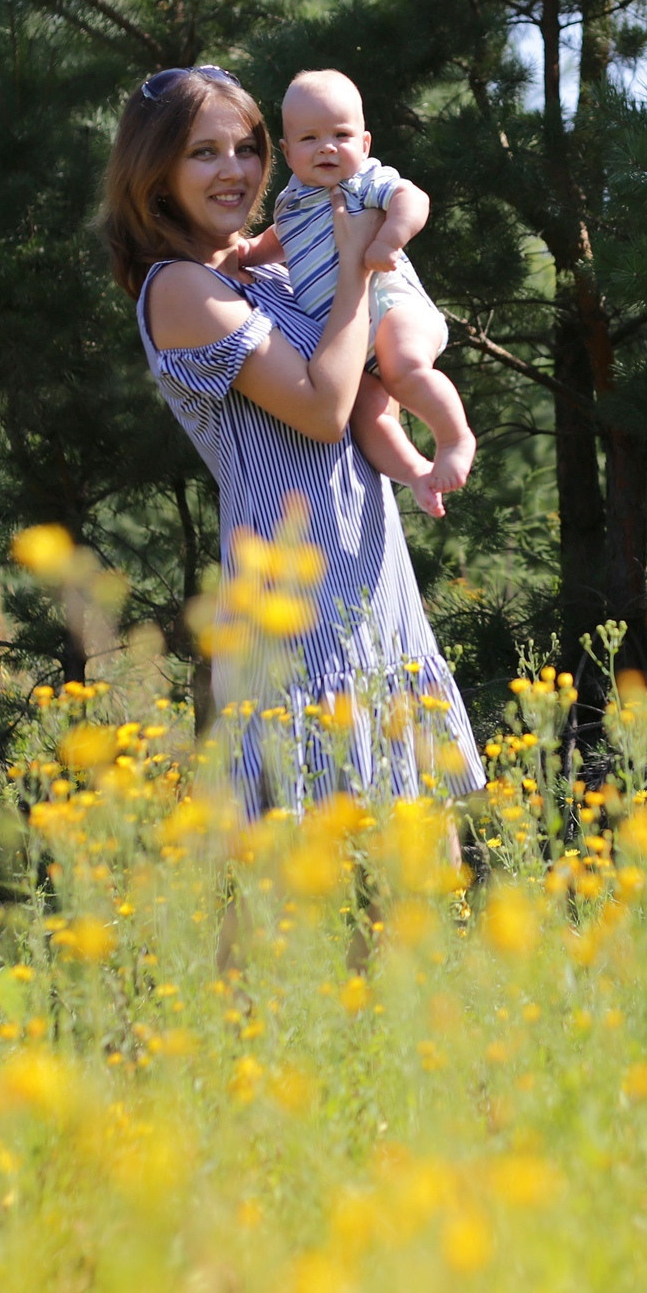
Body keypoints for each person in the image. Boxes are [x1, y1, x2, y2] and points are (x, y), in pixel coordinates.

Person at [98, 64, 484, 815]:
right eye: (202, 152)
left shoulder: (273, 262)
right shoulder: (181, 288)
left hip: (368, 572)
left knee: (418, 861)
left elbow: (365, 378)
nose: (234, 169)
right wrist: (353, 269)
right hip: (294, 605)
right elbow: (322, 409)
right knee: (298, 881)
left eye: (246, 147)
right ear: (155, 174)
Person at [239, 68, 476, 517]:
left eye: (340, 134)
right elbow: (278, 241)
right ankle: (417, 473)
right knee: (366, 409)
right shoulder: (290, 202)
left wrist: (390, 239)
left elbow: (413, 198)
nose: (327, 147)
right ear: (287, 153)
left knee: (404, 369)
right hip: (350, 338)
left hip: (392, 307)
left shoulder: (363, 181)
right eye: (309, 139)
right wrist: (248, 252)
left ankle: (455, 437)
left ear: (364, 144)